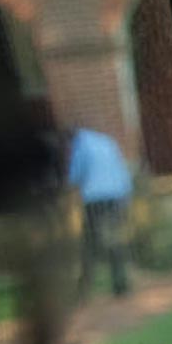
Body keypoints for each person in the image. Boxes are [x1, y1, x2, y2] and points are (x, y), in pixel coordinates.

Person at [65, 124, 133, 296]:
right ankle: (121, 284)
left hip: (95, 199)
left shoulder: (80, 144)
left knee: (90, 243)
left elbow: (74, 174)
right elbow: (121, 168)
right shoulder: (106, 141)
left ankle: (83, 289)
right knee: (114, 239)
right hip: (117, 195)